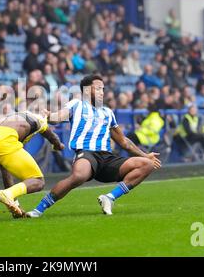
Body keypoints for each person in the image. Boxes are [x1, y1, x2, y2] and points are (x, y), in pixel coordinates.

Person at [26, 75, 162, 218]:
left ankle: (109, 198)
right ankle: (38, 210)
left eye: (102, 89)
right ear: (86, 91)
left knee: (147, 164)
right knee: (79, 176)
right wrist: (49, 115)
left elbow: (123, 142)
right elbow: (58, 117)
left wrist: (145, 155)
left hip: (107, 158)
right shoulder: (76, 105)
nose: (102, 92)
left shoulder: (107, 112)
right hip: (87, 153)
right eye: (97, 89)